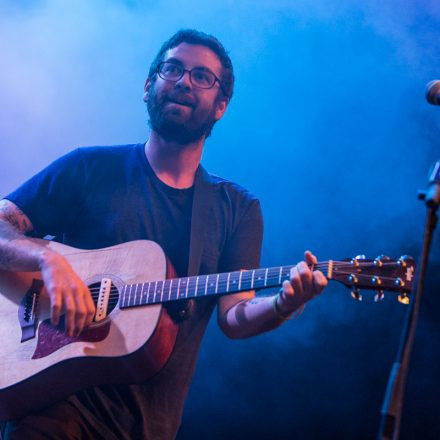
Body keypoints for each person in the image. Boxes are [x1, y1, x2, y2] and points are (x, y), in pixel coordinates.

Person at [0, 29, 327, 439]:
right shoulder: (87, 169)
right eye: (172, 69)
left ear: (221, 105)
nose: (184, 81)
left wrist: (282, 304)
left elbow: (235, 315)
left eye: (202, 76)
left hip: (146, 426)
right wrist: (48, 261)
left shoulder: (237, 209)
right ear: (148, 86)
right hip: (49, 412)